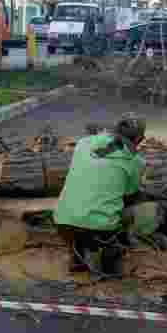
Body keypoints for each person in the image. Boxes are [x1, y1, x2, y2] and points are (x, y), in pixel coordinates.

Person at [53, 113, 149, 276]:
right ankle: (111, 254)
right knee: (131, 209)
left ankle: (78, 257)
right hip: (99, 228)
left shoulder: (83, 143)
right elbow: (129, 195)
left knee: (81, 215)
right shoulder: (136, 162)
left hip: (62, 222)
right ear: (139, 139)